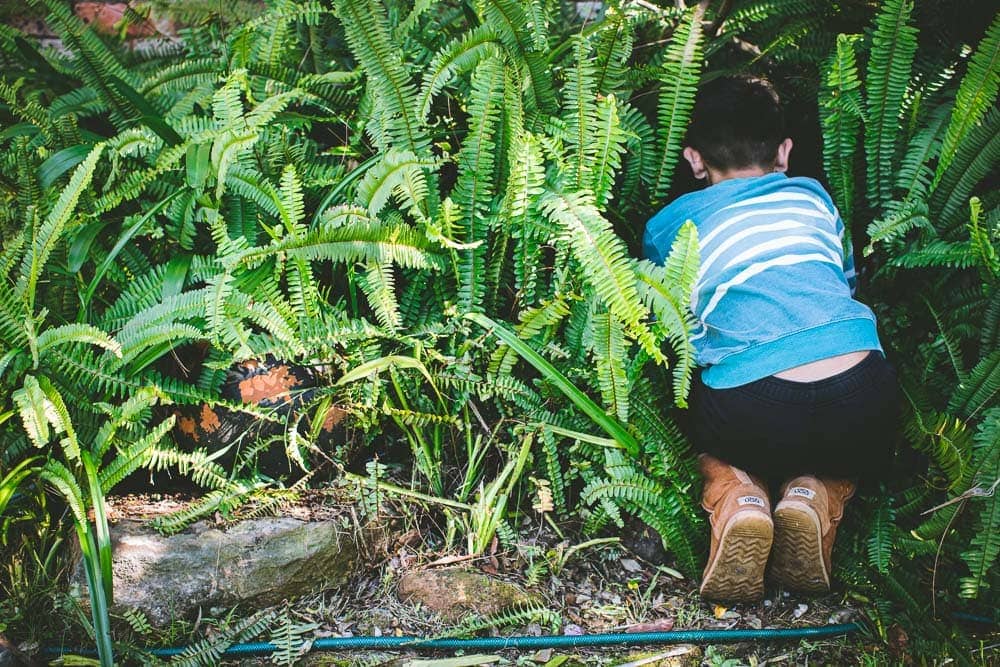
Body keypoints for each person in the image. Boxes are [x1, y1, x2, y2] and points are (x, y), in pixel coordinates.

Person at [643, 75, 899, 602]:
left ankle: (737, 496)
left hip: (751, 410)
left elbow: (669, 329)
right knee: (852, 439)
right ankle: (815, 495)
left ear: (694, 160)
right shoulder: (814, 198)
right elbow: (845, 284)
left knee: (689, 399)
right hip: (862, 394)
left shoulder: (670, 227)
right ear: (785, 151)